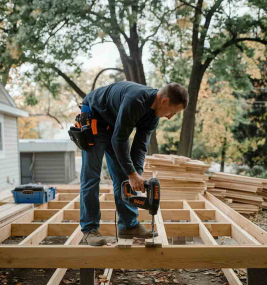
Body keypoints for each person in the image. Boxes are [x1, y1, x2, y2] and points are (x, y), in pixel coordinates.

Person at [79, 81, 189, 246]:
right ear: (165, 101)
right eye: (172, 112)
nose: (169, 117)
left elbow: (140, 147)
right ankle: (89, 230)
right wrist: (132, 175)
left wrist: (135, 175)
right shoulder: (135, 100)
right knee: (91, 176)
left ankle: (129, 226)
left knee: (124, 177)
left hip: (114, 123)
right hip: (95, 116)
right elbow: (119, 139)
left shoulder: (153, 116)